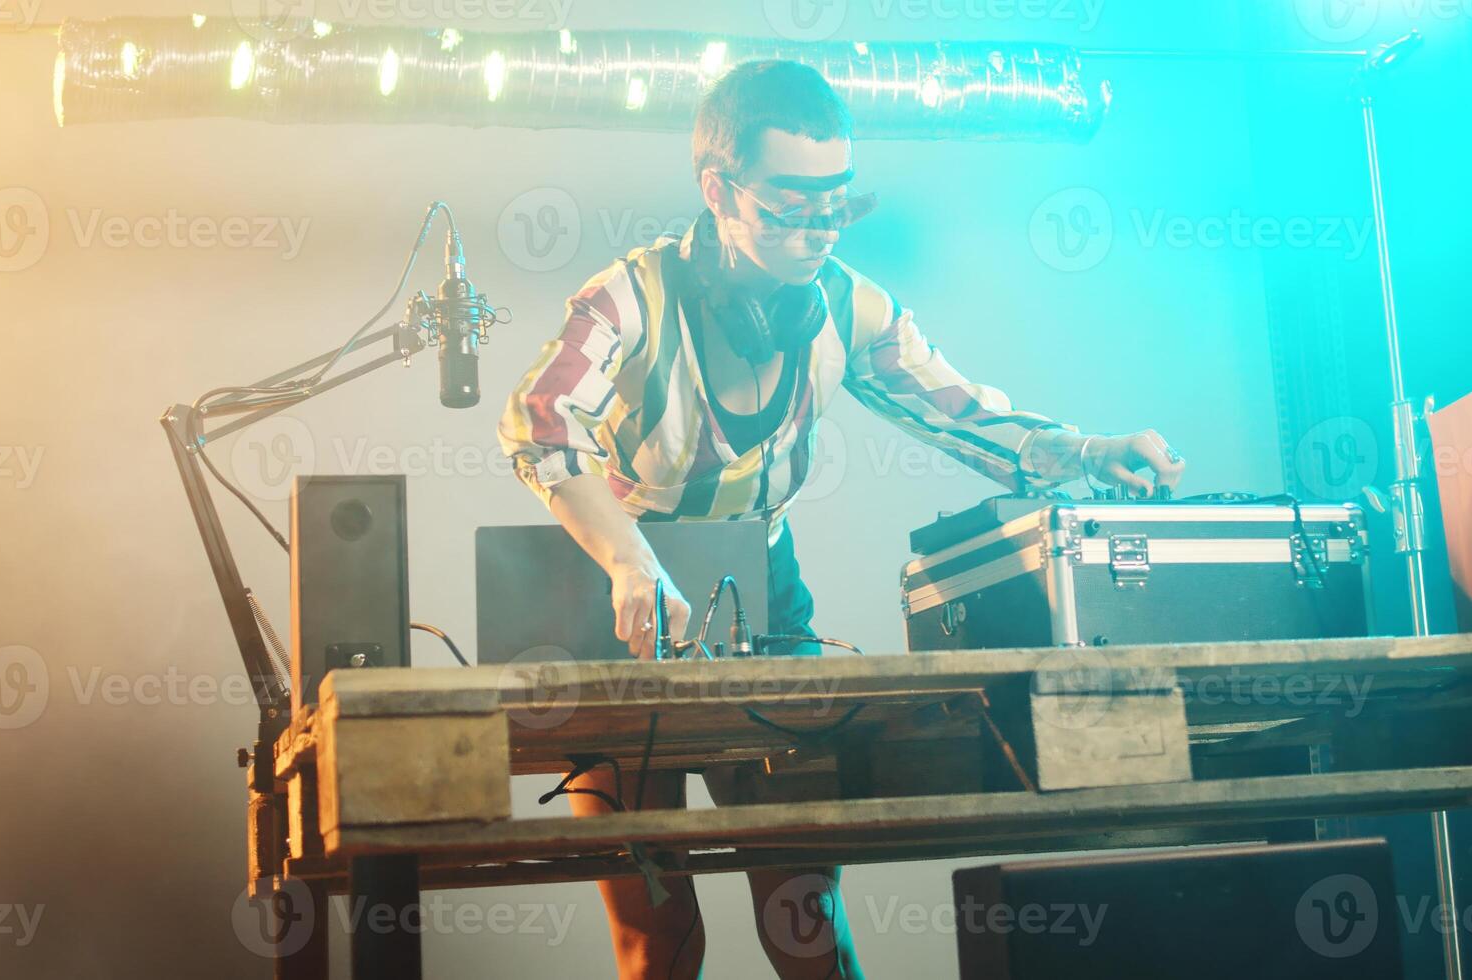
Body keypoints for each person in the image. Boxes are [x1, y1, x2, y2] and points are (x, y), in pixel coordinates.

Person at [497, 59, 1186, 980]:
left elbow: (965, 416)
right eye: (789, 206)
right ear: (718, 190)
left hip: (763, 597)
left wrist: (1091, 449)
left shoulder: (849, 305)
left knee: (804, 916)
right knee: (657, 936)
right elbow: (537, 423)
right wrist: (628, 563)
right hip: (623, 600)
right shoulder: (629, 295)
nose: (818, 230)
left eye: (835, 204)